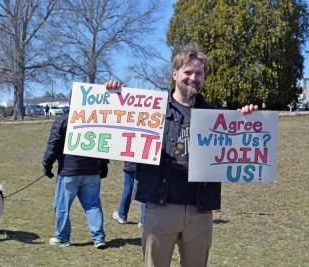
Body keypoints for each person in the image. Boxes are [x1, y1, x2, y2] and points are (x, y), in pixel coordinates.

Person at [105, 43, 258, 266]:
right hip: (160, 209)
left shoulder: (215, 116)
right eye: (188, 72)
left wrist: (247, 120)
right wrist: (113, 95)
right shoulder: (149, 109)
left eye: (199, 73)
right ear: (175, 74)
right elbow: (114, 125)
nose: (193, 78)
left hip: (200, 212)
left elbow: (234, 151)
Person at [42, 104, 109, 249]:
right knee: (93, 205)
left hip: (69, 171)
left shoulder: (63, 119)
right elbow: (104, 143)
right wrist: (103, 166)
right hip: (91, 170)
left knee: (62, 206)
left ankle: (62, 237)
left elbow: (53, 144)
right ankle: (99, 238)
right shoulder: (97, 120)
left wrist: (47, 165)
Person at [112, 162, 146, 228]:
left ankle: (122, 215)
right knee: (144, 190)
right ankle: (144, 221)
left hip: (131, 164)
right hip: (144, 164)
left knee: (128, 188)